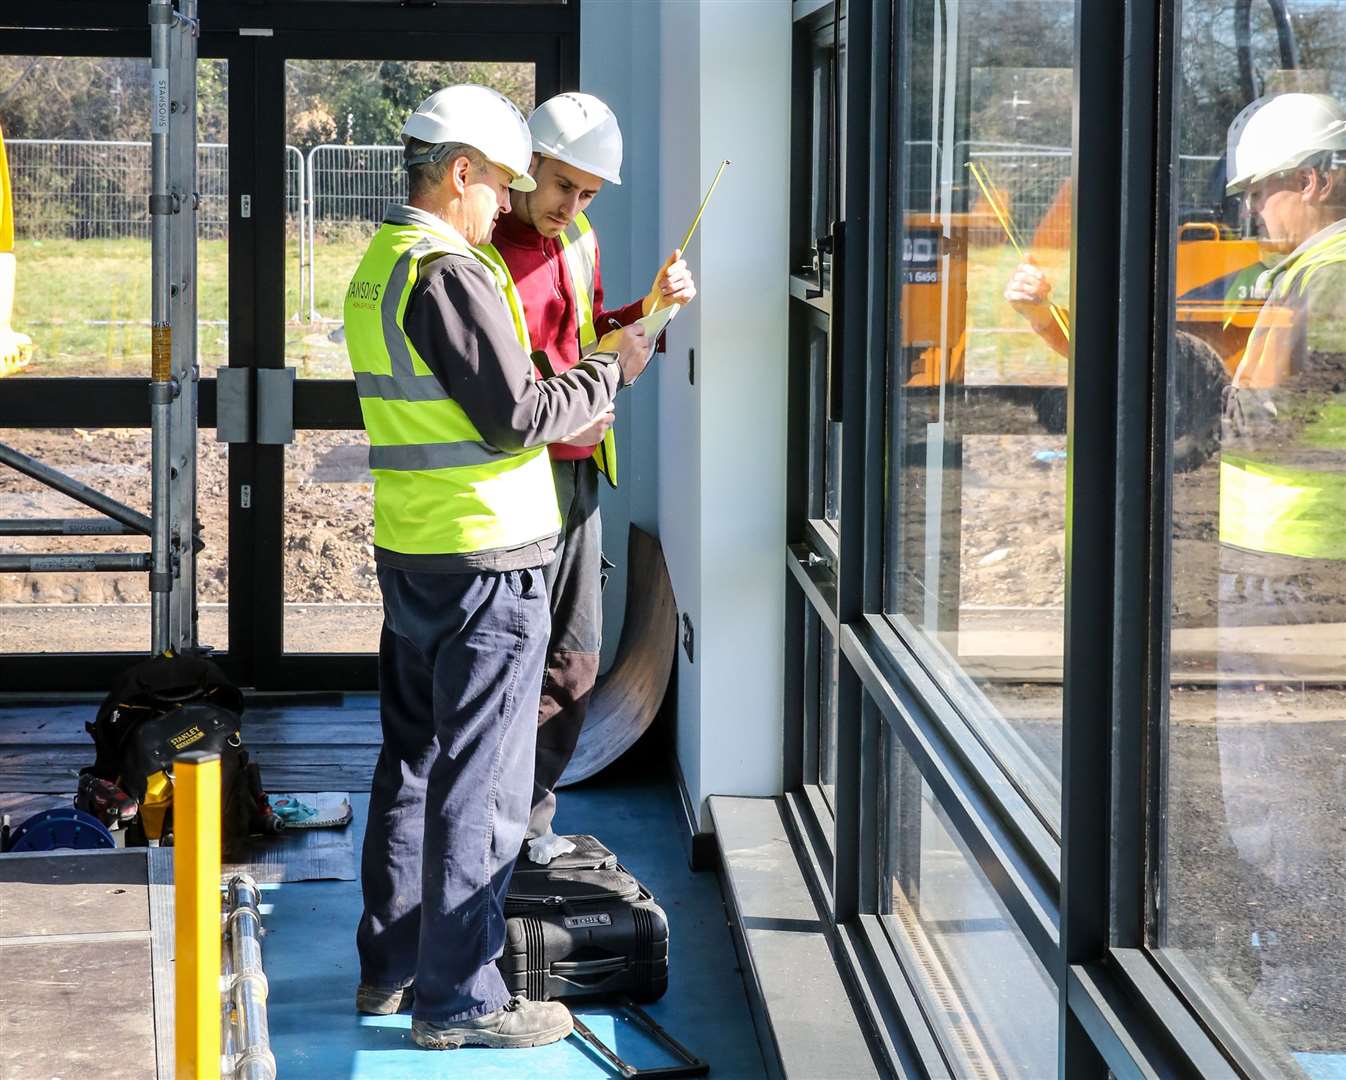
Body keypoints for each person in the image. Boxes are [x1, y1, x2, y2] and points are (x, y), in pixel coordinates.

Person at [342, 83, 651, 1051]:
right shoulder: (449, 269)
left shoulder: (379, 266)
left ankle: (391, 971)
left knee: (413, 763)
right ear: (461, 172)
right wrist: (616, 363)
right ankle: (462, 999)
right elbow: (518, 414)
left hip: (419, 550)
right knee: (480, 779)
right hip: (487, 559)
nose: (504, 207)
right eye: (499, 185)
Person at [477, 92, 696, 864]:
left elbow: (592, 337)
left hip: (577, 485)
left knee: (573, 662)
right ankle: (497, 830)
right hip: (513, 481)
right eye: (563, 186)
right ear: (526, 166)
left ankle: (529, 825)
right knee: (511, 661)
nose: (572, 206)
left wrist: (655, 309)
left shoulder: (579, 240)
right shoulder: (484, 251)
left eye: (588, 194)